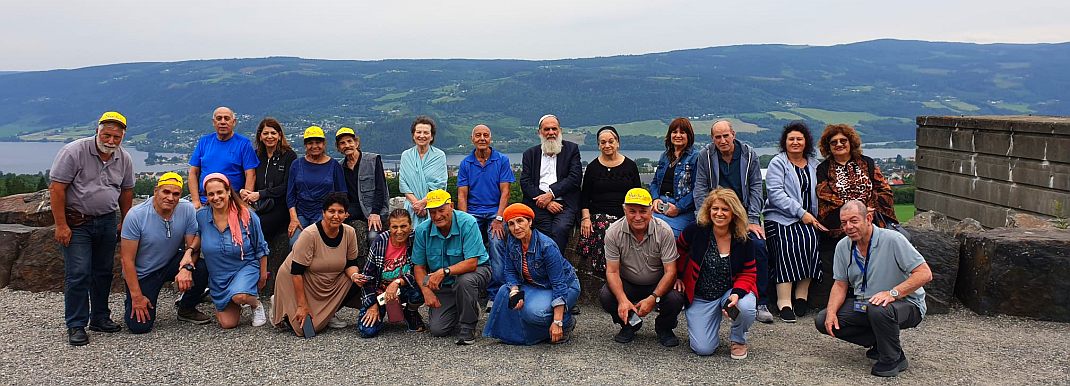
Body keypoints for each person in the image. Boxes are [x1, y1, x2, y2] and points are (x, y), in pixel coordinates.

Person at [815, 200, 932, 377]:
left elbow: (924, 274)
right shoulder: (843, 246)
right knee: (824, 319)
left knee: (879, 308)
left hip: (906, 303)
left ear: (868, 218)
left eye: (854, 221)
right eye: (844, 223)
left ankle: (893, 359)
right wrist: (831, 312)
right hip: (868, 305)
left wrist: (892, 293)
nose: (848, 227)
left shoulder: (893, 239)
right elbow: (840, 284)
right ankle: (882, 342)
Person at [49, 111, 135, 345]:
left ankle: (99, 317)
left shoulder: (124, 158)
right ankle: (76, 324)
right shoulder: (73, 151)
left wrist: (125, 220)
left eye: (116, 137)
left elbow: (127, 191)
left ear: (122, 137)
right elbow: (57, 189)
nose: (111, 141)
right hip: (77, 222)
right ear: (97, 131)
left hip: (107, 220)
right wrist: (61, 225)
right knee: (78, 273)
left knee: (103, 272)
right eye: (107, 135)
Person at [693, 120, 773, 323]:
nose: (722, 140)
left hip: (742, 215)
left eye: (726, 135)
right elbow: (700, 188)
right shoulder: (705, 156)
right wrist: (705, 218)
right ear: (712, 139)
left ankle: (761, 301)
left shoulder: (749, 154)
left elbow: (756, 187)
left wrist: (753, 219)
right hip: (716, 212)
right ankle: (697, 296)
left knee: (758, 245)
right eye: (717, 137)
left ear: (733, 134)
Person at [120, 173, 212, 333]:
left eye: (176, 194)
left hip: (171, 262)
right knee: (139, 327)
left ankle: (186, 308)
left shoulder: (187, 209)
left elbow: (193, 248)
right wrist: (136, 297)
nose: (170, 198)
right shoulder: (136, 215)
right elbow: (127, 260)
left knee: (202, 268)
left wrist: (186, 269)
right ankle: (132, 300)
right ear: (156, 191)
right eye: (166, 192)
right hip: (144, 273)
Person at [676, 188, 759, 359]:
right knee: (703, 349)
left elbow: (748, 272)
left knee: (746, 307)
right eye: (715, 209)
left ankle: (738, 339)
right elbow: (678, 251)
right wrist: (677, 276)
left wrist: (736, 294)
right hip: (701, 296)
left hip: (729, 292)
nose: (719, 213)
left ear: (734, 213)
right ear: (708, 210)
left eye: (725, 209)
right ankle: (708, 323)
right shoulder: (695, 230)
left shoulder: (743, 238)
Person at [599, 188, 686, 347]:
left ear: (651, 210)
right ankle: (629, 324)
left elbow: (670, 271)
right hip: (629, 282)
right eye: (632, 211)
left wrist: (653, 298)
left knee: (676, 297)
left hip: (657, 282)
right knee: (606, 295)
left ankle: (664, 327)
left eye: (643, 211)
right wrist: (622, 300)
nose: (637, 217)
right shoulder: (613, 232)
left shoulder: (664, 231)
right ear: (624, 210)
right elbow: (612, 271)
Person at [484, 203, 581, 345]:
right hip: (535, 284)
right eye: (511, 224)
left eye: (520, 221)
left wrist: (558, 321)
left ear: (530, 222)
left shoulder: (547, 246)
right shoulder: (512, 240)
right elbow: (510, 270)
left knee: (536, 314)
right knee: (504, 293)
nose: (516, 228)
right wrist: (515, 291)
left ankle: (566, 321)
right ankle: (519, 332)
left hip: (565, 287)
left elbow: (559, 284)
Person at [271, 192, 364, 336]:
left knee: (354, 281)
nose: (336, 216)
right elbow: (296, 271)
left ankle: (329, 313)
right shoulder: (309, 234)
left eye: (341, 212)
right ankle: (283, 304)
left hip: (327, 283)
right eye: (331, 211)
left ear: (346, 215)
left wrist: (355, 276)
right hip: (299, 280)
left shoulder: (349, 233)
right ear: (323, 213)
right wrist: (302, 305)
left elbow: (350, 263)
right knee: (306, 331)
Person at [763, 122, 829, 322]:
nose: (795, 142)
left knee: (811, 241)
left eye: (799, 139)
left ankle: (802, 296)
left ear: (806, 141)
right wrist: (801, 213)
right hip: (780, 217)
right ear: (785, 142)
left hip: (808, 218)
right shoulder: (778, 162)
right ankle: (784, 302)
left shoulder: (814, 163)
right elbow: (775, 194)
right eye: (791, 139)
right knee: (788, 246)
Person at [411, 190, 491, 345]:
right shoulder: (422, 230)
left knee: (465, 281)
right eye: (432, 212)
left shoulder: (468, 223)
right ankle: (465, 305)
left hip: (475, 271)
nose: (437, 216)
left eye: (441, 210)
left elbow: (471, 263)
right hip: (444, 283)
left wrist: (444, 271)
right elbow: (419, 266)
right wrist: (426, 291)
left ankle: (468, 326)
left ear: (452, 206)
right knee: (437, 329)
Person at [196, 173, 270, 329]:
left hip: (245, 267)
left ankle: (255, 304)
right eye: (211, 194)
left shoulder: (247, 215)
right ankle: (236, 298)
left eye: (220, 192)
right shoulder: (201, 217)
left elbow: (261, 247)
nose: (216, 197)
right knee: (227, 323)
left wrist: (263, 275)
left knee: (239, 296)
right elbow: (196, 239)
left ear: (229, 192)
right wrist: (188, 256)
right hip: (219, 277)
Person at [456, 124, 515, 302]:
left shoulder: (501, 160)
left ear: (490, 139)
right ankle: (468, 290)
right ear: (472, 139)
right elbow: (462, 194)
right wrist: (464, 221)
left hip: (495, 213)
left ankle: (495, 293)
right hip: (473, 213)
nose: (482, 138)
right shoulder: (466, 163)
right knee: (467, 247)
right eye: (478, 135)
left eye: (486, 135)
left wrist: (499, 218)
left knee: (497, 244)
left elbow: (505, 192)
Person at [815, 124, 898, 243]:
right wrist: (856, 213)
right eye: (834, 142)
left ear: (850, 142)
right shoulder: (823, 169)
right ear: (828, 147)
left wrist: (869, 210)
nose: (839, 144)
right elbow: (825, 196)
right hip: (840, 229)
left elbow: (884, 190)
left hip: (871, 223)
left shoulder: (867, 162)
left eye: (843, 140)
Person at [577, 126, 642, 275]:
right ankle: (604, 273)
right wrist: (585, 218)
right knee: (606, 229)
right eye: (603, 142)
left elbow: (638, 193)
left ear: (618, 142)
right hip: (599, 214)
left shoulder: (630, 166)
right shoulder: (593, 168)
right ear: (599, 145)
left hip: (625, 214)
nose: (607, 145)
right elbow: (585, 196)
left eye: (611, 141)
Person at [358, 208, 427, 337]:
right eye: (394, 227)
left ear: (410, 226)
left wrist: (397, 282)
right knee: (367, 331)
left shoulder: (415, 240)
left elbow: (419, 270)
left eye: (403, 226)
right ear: (389, 227)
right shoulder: (379, 242)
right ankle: (380, 310)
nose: (399, 231)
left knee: (422, 287)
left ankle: (410, 311)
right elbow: (367, 275)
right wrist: (372, 304)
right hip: (381, 293)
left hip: (405, 289)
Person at [519, 114, 582, 251]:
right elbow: (525, 182)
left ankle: (553, 267)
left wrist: (551, 194)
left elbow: (575, 178)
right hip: (538, 202)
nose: (551, 133)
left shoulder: (571, 150)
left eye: (554, 129)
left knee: (560, 229)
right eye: (546, 129)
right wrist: (546, 200)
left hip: (565, 203)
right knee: (542, 230)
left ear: (560, 130)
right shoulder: (530, 154)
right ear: (539, 132)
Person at [286, 126, 347, 246]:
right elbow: (290, 195)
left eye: (318, 142)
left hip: (325, 213)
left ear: (324, 144)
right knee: (295, 243)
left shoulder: (334, 165)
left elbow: (342, 194)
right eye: (310, 143)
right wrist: (293, 218)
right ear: (305, 145)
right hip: (301, 213)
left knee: (320, 242)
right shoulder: (296, 164)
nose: (314, 146)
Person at [336, 127, 389, 264]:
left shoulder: (372, 160)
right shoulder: (340, 167)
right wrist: (344, 211)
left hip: (373, 208)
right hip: (354, 208)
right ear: (338, 148)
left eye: (349, 141)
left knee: (373, 237)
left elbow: (380, 189)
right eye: (342, 143)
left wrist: (376, 212)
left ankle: (376, 269)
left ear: (356, 142)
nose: (347, 145)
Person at [188, 106, 259, 209]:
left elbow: (250, 174)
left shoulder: (243, 144)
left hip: (233, 202)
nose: (222, 122)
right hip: (205, 202)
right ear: (213, 122)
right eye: (219, 118)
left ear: (234, 122)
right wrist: (195, 201)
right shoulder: (204, 142)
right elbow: (193, 173)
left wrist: (245, 203)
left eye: (226, 118)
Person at [242, 117, 297, 244]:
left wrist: (261, 194)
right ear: (260, 136)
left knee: (256, 227)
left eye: (273, 133)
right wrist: (244, 192)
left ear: (279, 135)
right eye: (265, 133)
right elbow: (249, 177)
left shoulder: (289, 156)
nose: (269, 137)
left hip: (280, 205)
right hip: (260, 205)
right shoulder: (256, 155)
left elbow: (286, 186)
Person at [648, 118, 699, 236]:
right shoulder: (665, 156)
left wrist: (678, 208)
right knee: (642, 229)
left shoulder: (696, 157)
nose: (678, 135)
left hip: (683, 210)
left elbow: (698, 189)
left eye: (682, 132)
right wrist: (655, 199)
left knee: (667, 235)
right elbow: (655, 182)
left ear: (689, 135)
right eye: (674, 132)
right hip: (659, 205)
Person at [399, 116, 447, 225]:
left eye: (426, 133)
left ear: (431, 136)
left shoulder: (439, 156)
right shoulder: (406, 156)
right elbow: (403, 184)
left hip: (434, 206)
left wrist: (424, 203)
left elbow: (440, 185)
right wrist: (416, 204)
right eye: (418, 132)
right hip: (412, 207)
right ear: (413, 135)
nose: (422, 136)